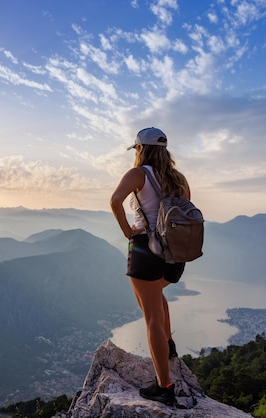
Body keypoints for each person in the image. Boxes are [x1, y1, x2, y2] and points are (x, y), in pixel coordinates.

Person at [109, 127, 190, 406]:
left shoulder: (138, 174)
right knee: (158, 297)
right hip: (175, 256)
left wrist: (128, 233)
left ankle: (164, 386)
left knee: (151, 316)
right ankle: (169, 346)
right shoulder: (179, 179)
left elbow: (115, 201)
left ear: (140, 149)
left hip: (147, 251)